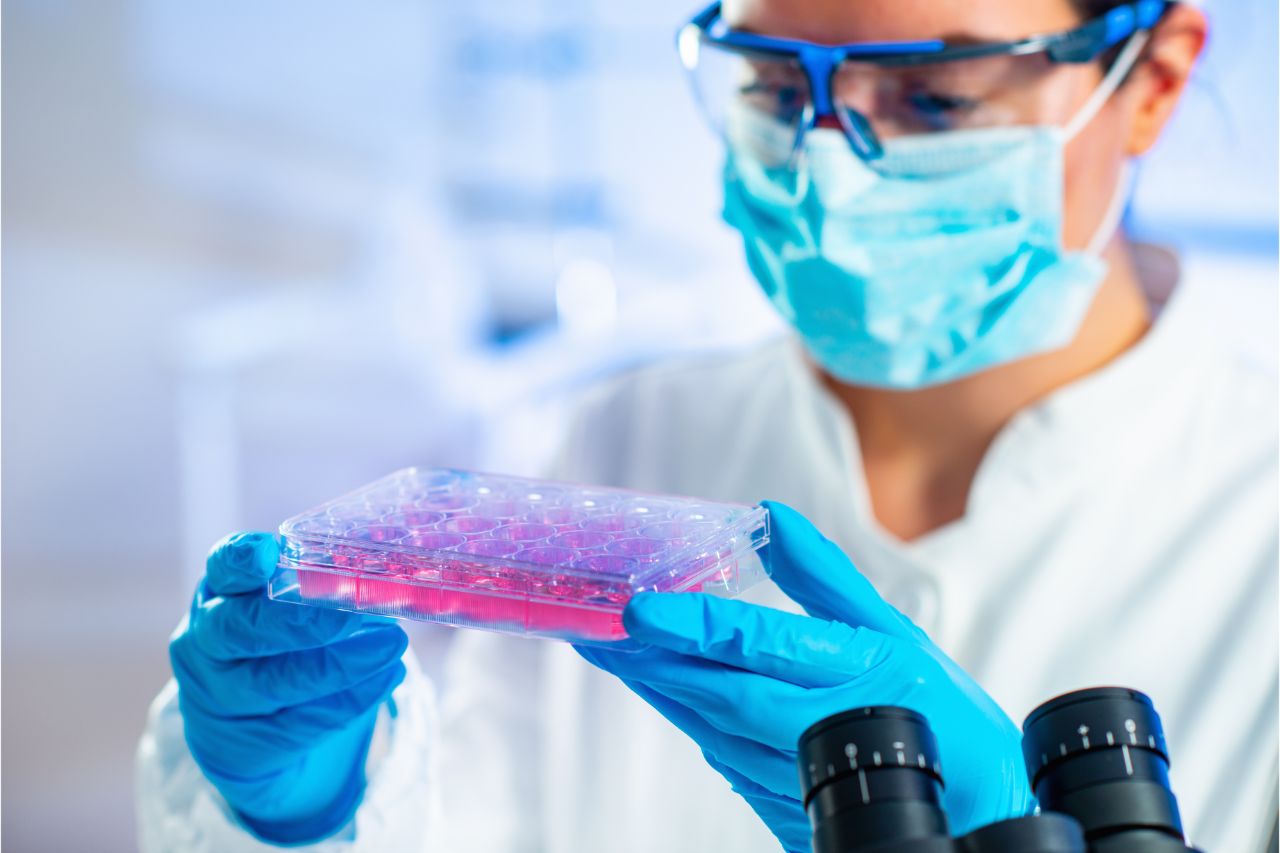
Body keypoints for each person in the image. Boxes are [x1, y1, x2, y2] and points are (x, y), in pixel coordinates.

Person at [136, 1, 1278, 851]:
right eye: (777, 88)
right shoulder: (618, 443)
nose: (829, 166)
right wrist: (307, 811)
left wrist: (1009, 834)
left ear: (1152, 79)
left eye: (937, 100)